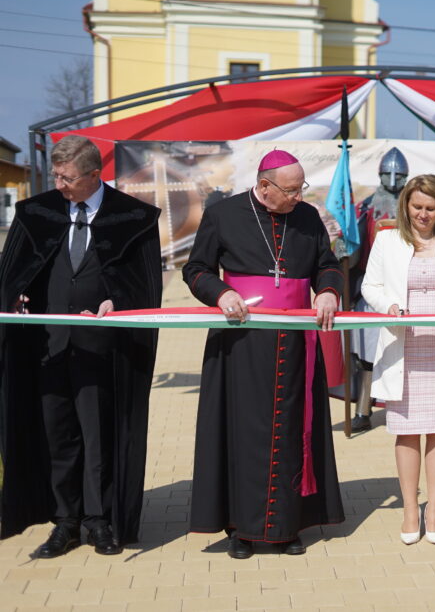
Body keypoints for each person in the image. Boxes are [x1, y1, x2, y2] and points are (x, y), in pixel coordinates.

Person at [0, 134, 162, 557]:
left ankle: (99, 520)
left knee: (99, 436)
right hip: (47, 348)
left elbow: (146, 287)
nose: (59, 184)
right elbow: (13, 273)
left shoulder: (133, 217)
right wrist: (15, 296)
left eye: (67, 177)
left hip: (102, 349)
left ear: (95, 175)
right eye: (55, 174)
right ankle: (64, 522)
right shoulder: (37, 212)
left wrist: (119, 303)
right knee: (58, 436)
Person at [182, 149, 344, 558]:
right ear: (265, 186)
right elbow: (196, 269)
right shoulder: (224, 214)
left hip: (295, 341)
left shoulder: (306, 217)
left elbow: (328, 263)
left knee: (293, 428)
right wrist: (222, 293)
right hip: (242, 342)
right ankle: (241, 528)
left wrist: (326, 290)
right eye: (291, 190)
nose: (298, 197)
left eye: (301, 187)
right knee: (243, 432)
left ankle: (287, 528)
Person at [361, 174, 435, 545]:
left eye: (430, 208)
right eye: (416, 208)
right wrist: (388, 305)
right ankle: (411, 508)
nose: (423, 215)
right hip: (403, 345)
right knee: (406, 431)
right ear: (406, 205)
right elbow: (370, 285)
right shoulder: (386, 240)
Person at [347, 147, 409, 432]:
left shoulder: (415, 205)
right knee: (367, 357)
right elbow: (355, 245)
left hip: (409, 290)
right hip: (373, 291)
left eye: (398, 174)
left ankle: (406, 408)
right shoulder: (367, 207)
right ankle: (363, 410)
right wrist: (344, 251)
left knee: (409, 354)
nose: (394, 178)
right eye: (388, 173)